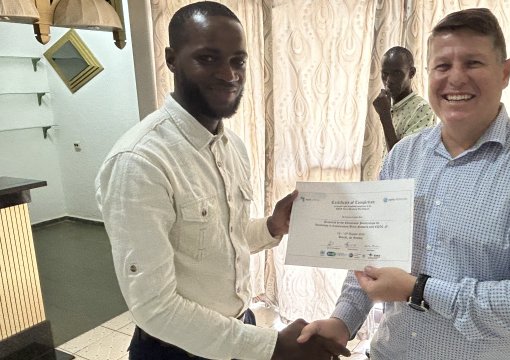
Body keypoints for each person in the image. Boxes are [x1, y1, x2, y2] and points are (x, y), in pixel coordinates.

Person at [299, 8, 510, 360]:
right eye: (442, 66)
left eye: (472, 63)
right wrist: (343, 321)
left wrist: (420, 290)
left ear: (505, 72)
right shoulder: (402, 156)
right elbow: (370, 257)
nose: (455, 78)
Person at [95, 2, 349, 360]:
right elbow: (154, 307)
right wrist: (272, 346)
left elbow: (219, 241)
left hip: (238, 329)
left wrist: (273, 226)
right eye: (208, 58)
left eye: (238, 60)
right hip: (175, 349)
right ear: (171, 59)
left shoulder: (233, 148)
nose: (229, 75)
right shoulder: (140, 162)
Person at [372, 46, 435, 152]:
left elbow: (403, 160)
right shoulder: (392, 107)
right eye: (385, 74)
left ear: (411, 73)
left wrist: (384, 116)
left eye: (396, 73)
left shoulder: (422, 109)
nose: (389, 80)